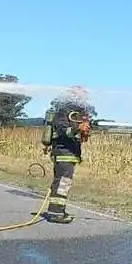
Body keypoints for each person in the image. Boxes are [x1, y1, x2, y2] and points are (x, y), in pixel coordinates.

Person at [43, 87, 92, 223]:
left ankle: (59, 209)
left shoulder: (78, 114)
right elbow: (63, 131)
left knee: (64, 182)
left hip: (71, 153)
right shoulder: (62, 112)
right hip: (63, 152)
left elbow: (80, 133)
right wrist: (78, 128)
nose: (83, 99)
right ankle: (55, 213)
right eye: (81, 96)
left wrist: (85, 131)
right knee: (62, 182)